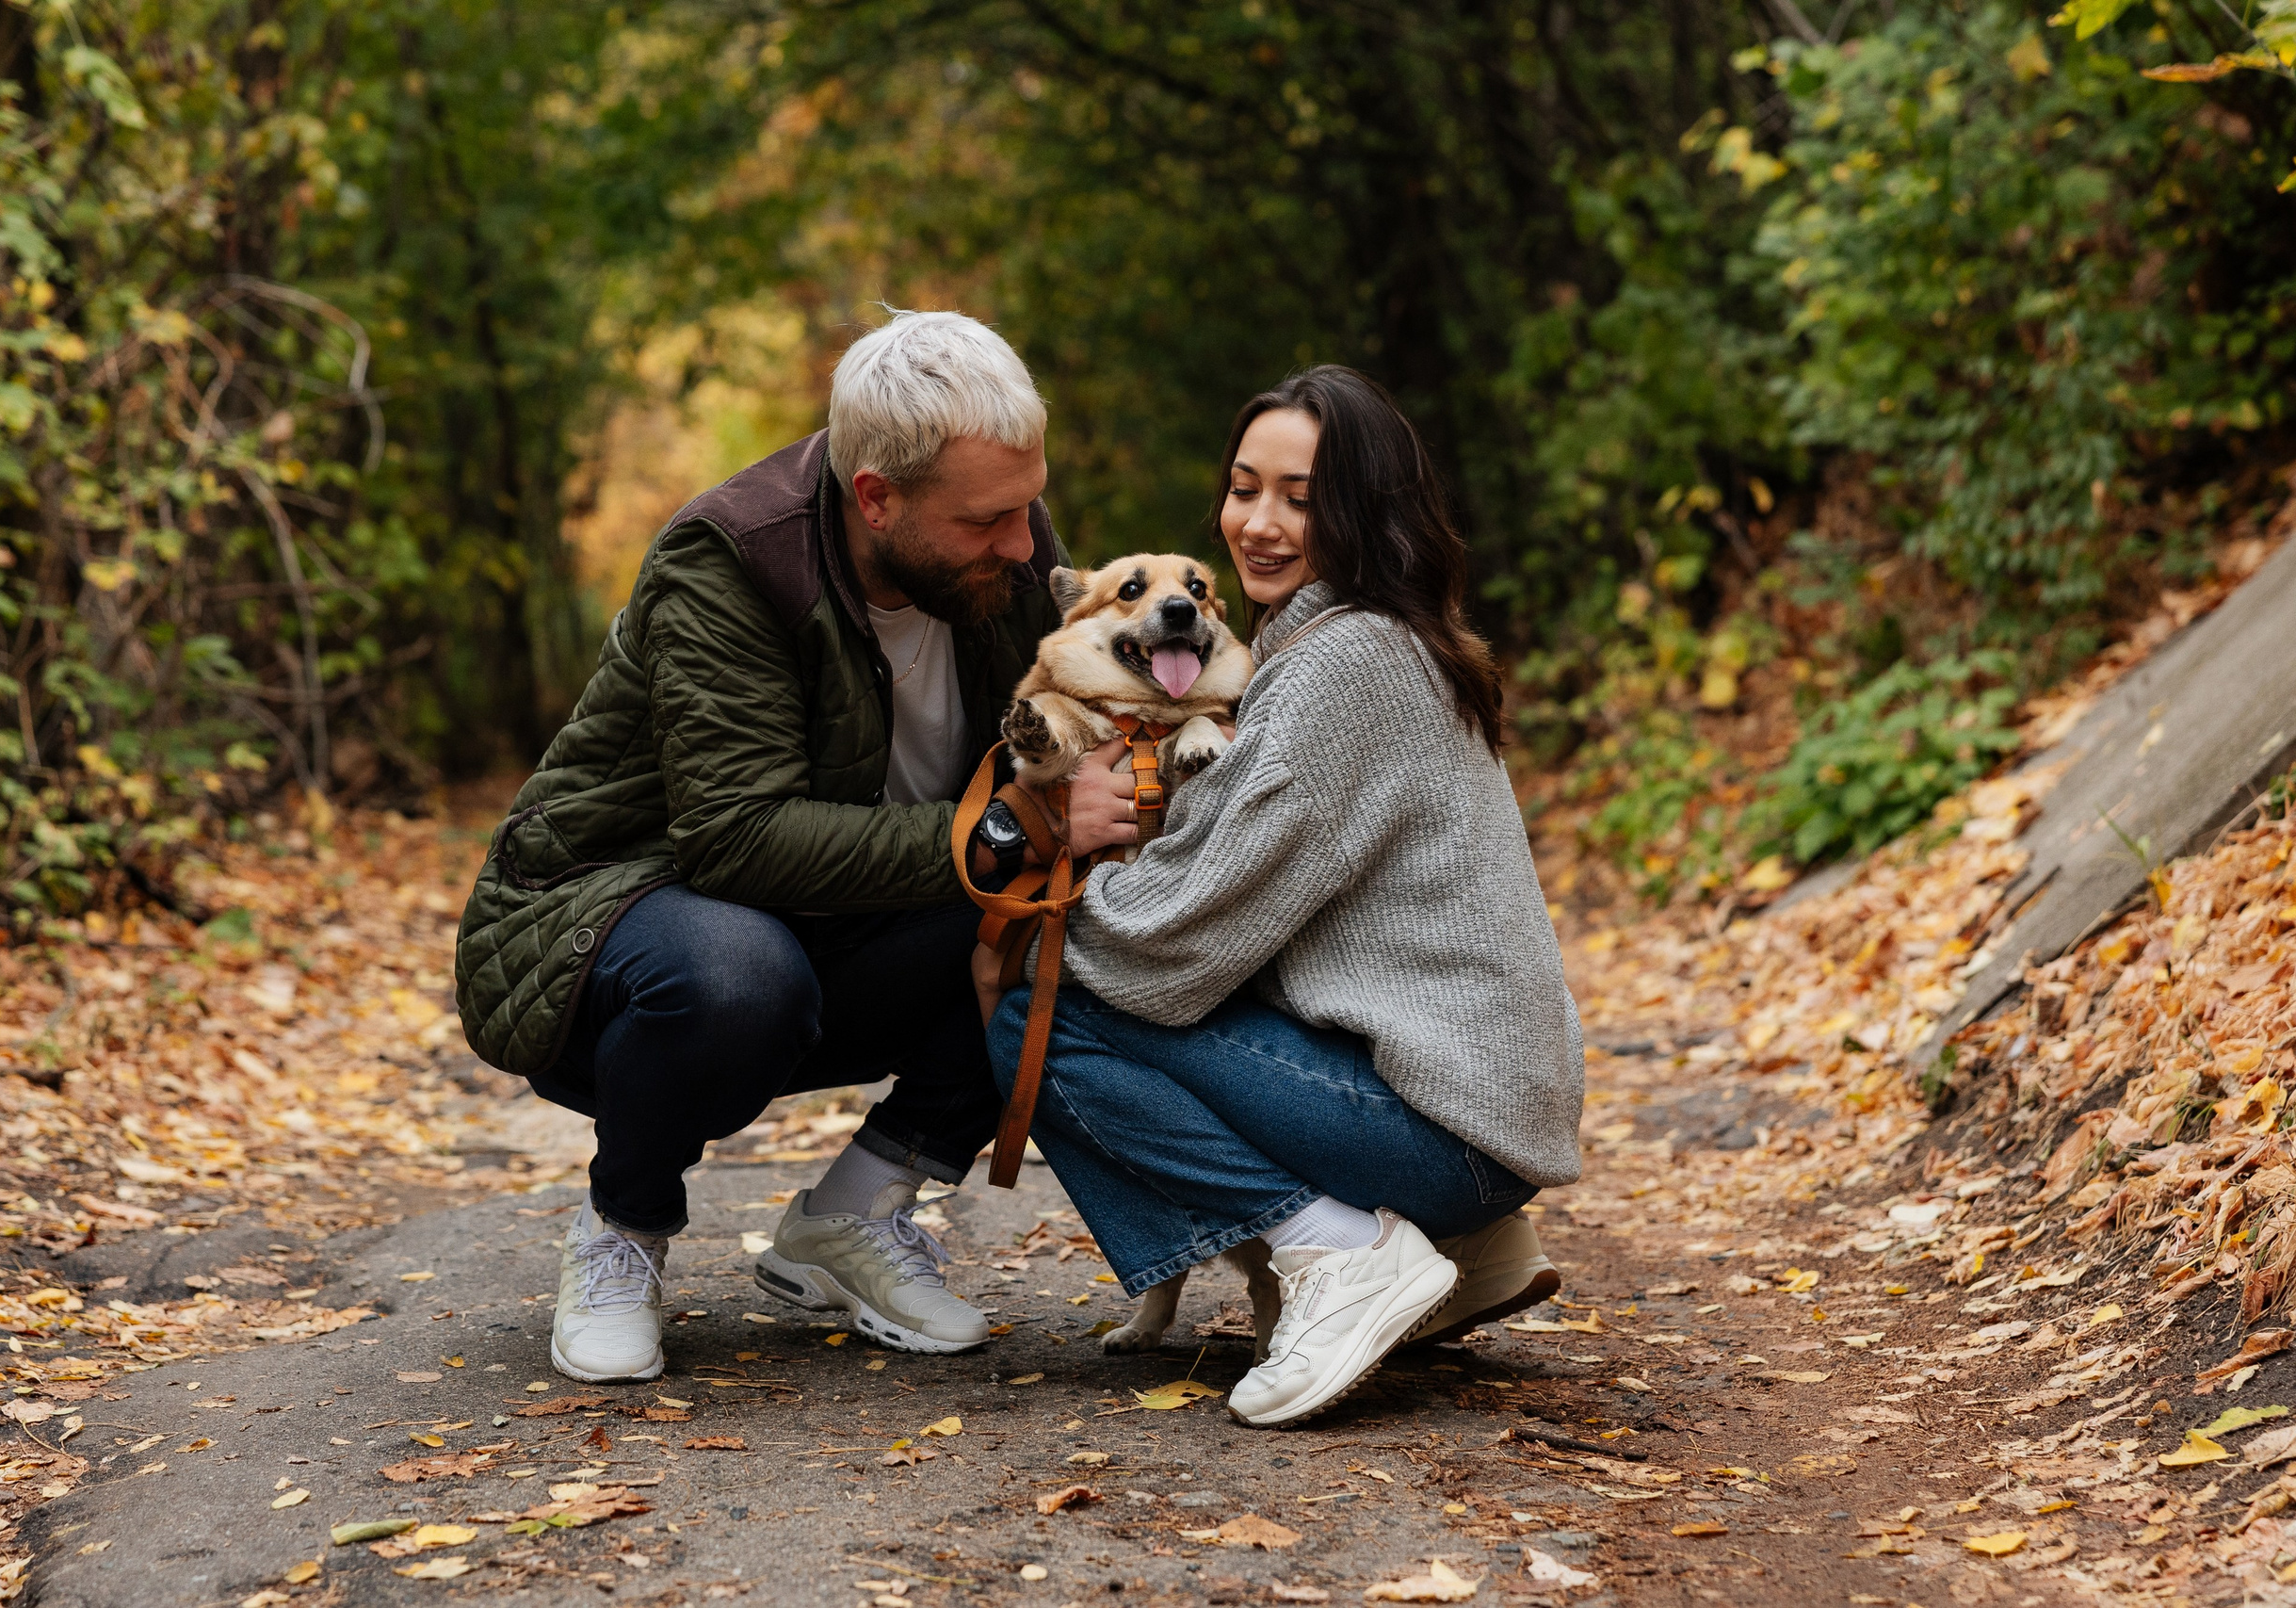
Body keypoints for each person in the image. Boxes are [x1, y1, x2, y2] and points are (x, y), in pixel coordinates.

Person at [453, 311, 1141, 1383]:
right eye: (986, 522)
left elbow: (1074, 705)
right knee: (738, 975)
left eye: (1026, 509)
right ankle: (621, 1230)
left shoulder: (1004, 537)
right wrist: (1011, 827)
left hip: (852, 923)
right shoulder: (731, 560)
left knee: (1075, 908)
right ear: (877, 496)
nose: (1022, 546)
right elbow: (736, 838)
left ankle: (853, 1215)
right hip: (616, 924)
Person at [987, 365, 1586, 1429]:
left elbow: (1181, 935)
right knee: (1077, 985)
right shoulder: (1370, 635)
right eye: (1243, 488)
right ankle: (1446, 1250)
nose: (1258, 525)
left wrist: (1039, 916)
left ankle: (1337, 1254)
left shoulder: (1342, 663)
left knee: (1033, 1015)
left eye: (1301, 499)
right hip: (1471, 1110)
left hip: (1446, 1129)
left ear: (1365, 508)